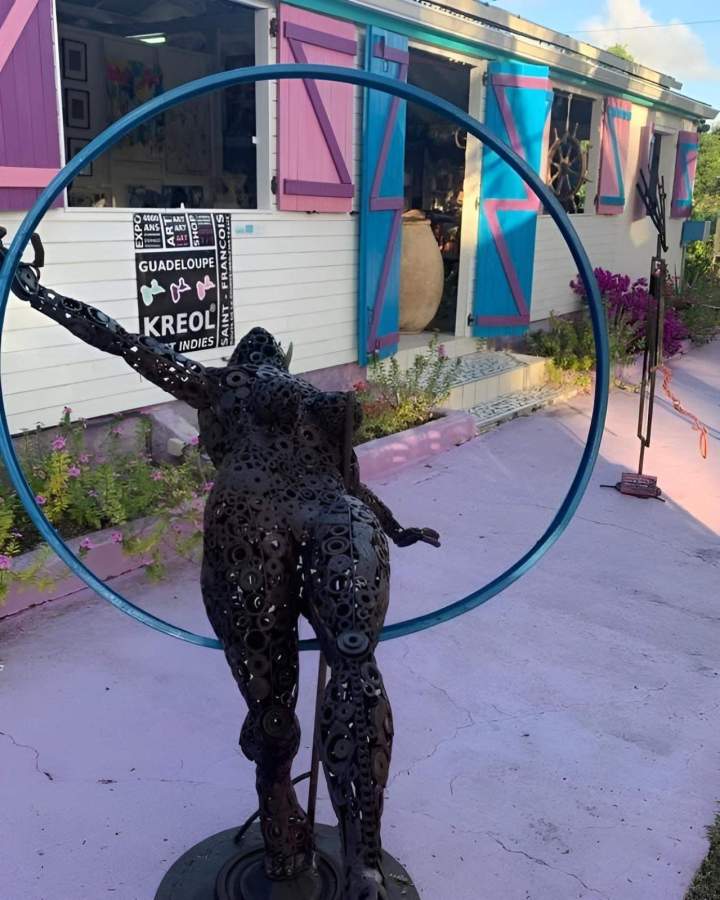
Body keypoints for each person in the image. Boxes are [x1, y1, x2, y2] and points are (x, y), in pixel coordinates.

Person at [2, 232, 439, 900]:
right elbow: (350, 486)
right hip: (335, 518)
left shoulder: (217, 384)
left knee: (272, 712)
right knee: (354, 661)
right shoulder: (311, 403)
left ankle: (284, 845)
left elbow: (117, 338)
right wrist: (393, 528)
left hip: (248, 523)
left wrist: (33, 291)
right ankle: (363, 860)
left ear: (242, 363)